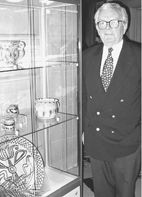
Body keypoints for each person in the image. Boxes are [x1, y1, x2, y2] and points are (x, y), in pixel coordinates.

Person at [82, 3, 141, 197]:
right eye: (101, 23)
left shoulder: (139, 55)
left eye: (113, 22)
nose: (107, 28)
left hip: (127, 141)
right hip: (97, 139)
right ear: (96, 26)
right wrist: (84, 129)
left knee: (125, 193)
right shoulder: (87, 56)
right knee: (102, 192)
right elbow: (82, 96)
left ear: (125, 25)